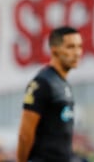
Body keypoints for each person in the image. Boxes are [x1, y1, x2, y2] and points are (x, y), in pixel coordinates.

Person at [16, 26, 83, 162]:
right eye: (70, 47)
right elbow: (25, 134)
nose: (77, 53)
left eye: (79, 46)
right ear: (55, 51)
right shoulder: (43, 83)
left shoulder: (63, 84)